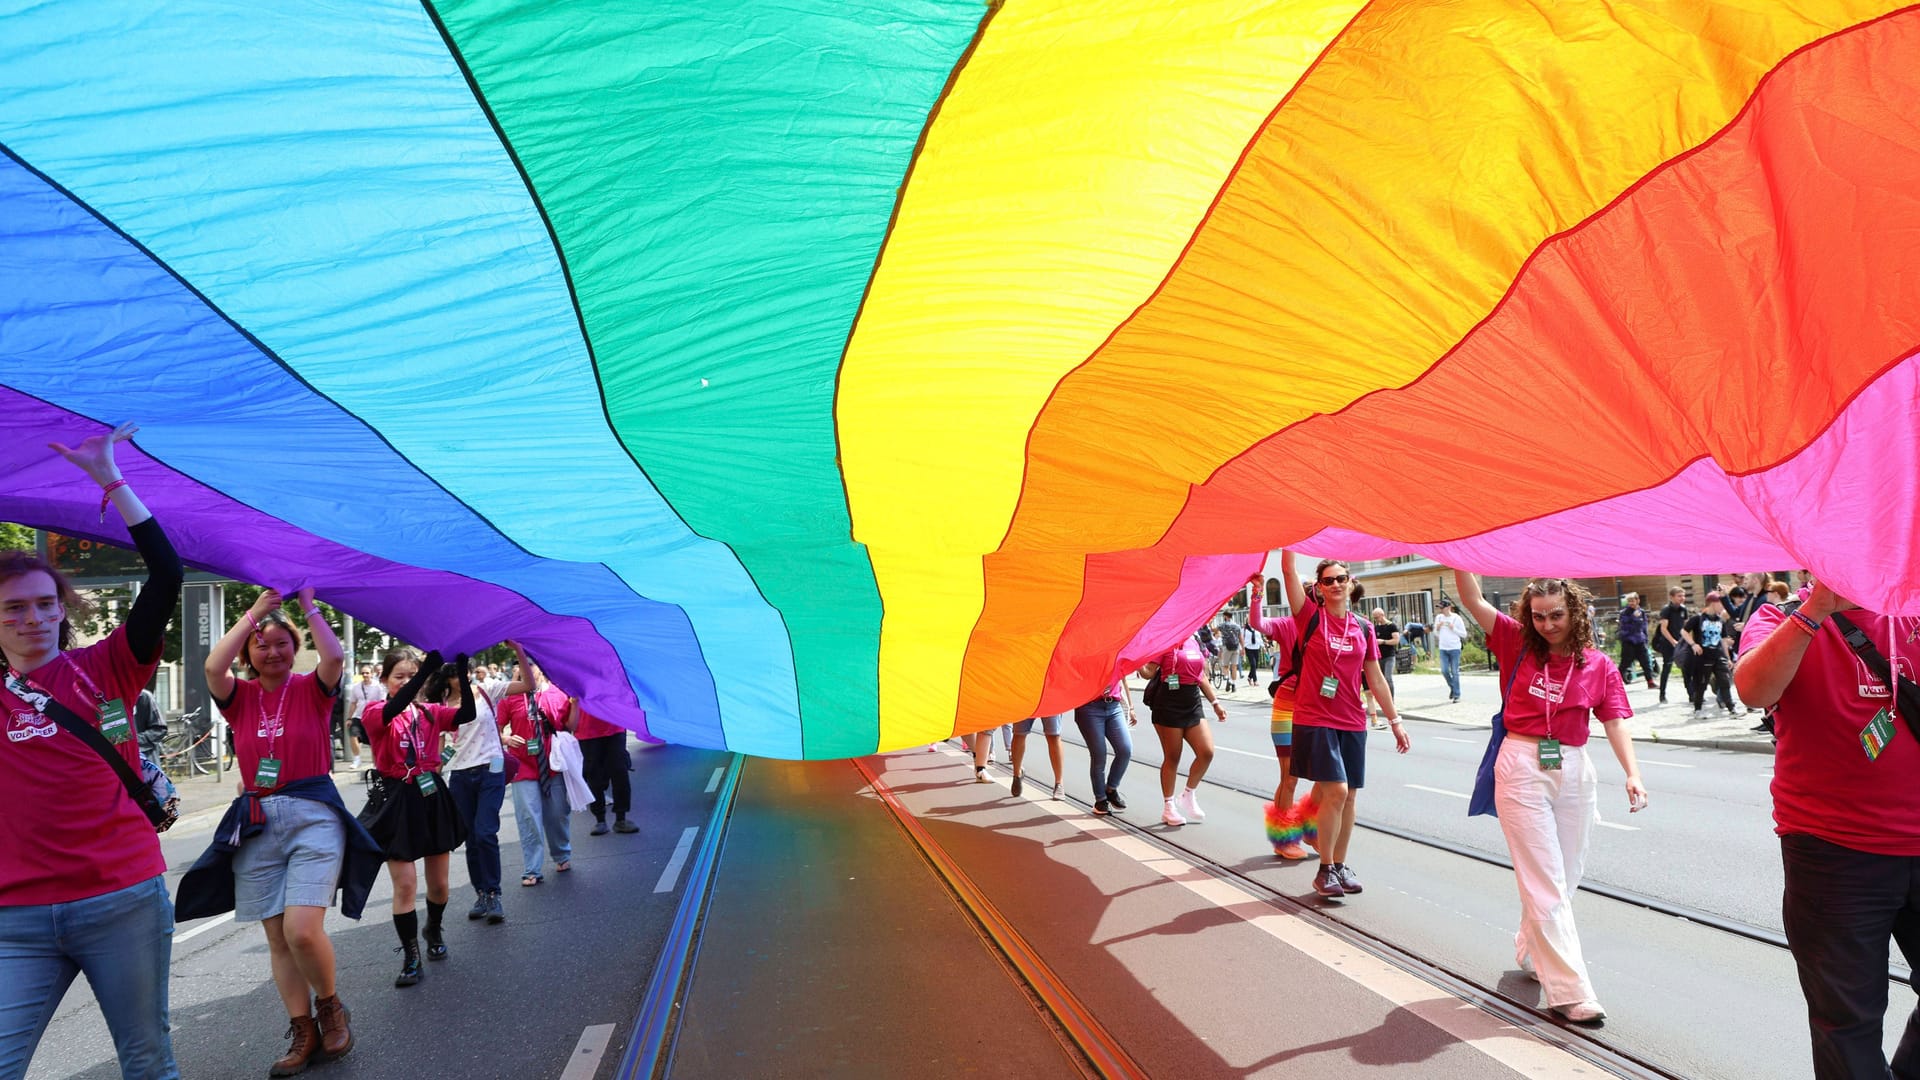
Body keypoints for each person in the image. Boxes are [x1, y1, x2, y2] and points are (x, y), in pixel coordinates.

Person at [0, 424, 182, 1080]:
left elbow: (167, 576)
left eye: (44, 604)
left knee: (146, 1063)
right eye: (14, 609)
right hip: (15, 918)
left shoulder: (106, 668)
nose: (32, 618)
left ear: (61, 609)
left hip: (121, 899)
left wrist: (112, 480)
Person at [1734, 580, 1920, 1077]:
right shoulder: (1782, 618)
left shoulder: (1912, 613)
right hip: (1834, 855)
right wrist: (1817, 609)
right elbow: (1754, 689)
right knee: (1847, 1020)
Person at [195, 585, 373, 1073]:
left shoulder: (312, 689)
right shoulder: (240, 697)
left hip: (313, 811)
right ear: (250, 651)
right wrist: (255, 613)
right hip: (257, 819)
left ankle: (331, 1007)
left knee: (301, 929)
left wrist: (309, 604)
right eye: (262, 644)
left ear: (295, 649)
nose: (272, 652)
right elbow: (213, 667)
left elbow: (335, 655)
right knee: (277, 936)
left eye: (282, 644)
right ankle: (302, 1030)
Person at [1456, 571, 1647, 1024]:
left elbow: (1615, 719)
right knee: (1543, 878)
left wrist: (1632, 773)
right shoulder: (1512, 639)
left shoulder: (1598, 664)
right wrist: (1457, 553)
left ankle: (1531, 945)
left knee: (1566, 873)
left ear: (1575, 612)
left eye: (1556, 614)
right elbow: (1472, 598)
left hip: (1575, 765)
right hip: (1522, 763)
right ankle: (1570, 990)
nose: (1547, 624)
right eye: (1538, 616)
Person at [1279, 551, 1408, 898]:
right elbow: (1288, 571)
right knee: (1335, 791)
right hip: (1314, 717)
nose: (1335, 584)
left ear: (1350, 583)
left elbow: (1376, 679)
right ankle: (1323, 870)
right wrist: (1291, 538)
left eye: (1340, 579)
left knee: (1349, 795)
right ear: (1319, 589)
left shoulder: (1364, 627)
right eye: (1327, 581)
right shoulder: (1308, 617)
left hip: (1352, 719)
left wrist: (1394, 720)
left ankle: (1338, 864)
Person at [360, 649, 475, 986]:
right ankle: (411, 956)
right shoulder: (376, 712)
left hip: (430, 795)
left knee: (439, 885)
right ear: (384, 680)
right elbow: (396, 706)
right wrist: (426, 669)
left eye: (412, 676)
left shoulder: (429, 712)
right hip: (397, 799)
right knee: (406, 885)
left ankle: (433, 928)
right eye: (400, 676)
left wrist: (463, 674)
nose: (408, 681)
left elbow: (466, 713)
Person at [433, 658, 509, 923]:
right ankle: (482, 894)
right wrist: (433, 774)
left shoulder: (488, 690)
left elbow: (529, 685)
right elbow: (443, 747)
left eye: (466, 671)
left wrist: (519, 651)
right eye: (457, 673)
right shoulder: (442, 707)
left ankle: (494, 893)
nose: (464, 676)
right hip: (461, 774)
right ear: (448, 678)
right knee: (471, 837)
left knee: (485, 831)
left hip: (492, 768)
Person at [497, 641, 577, 886]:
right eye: (522, 666)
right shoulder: (510, 697)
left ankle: (562, 854)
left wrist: (576, 705)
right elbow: (495, 728)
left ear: (540, 668)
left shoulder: (558, 693)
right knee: (529, 817)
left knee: (557, 814)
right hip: (523, 767)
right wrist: (507, 738)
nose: (526, 670)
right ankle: (532, 868)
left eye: (530, 665)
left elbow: (570, 728)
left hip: (553, 764)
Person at [1141, 629, 1229, 826]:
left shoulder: (1193, 640)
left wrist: (1215, 703)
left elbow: (1201, 676)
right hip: (1168, 702)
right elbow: (1148, 673)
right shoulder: (1165, 639)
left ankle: (1188, 794)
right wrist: (1137, 661)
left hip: (1192, 701)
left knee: (1206, 752)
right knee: (1173, 757)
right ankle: (1168, 807)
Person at [1249, 578, 1310, 858]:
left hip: (1316, 706)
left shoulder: (1329, 624)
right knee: (1289, 777)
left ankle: (1309, 832)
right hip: (1287, 703)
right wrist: (1257, 593)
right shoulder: (1287, 624)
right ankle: (1285, 839)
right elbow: (1258, 623)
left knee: (1327, 778)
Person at [1073, 676, 1135, 815]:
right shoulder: (1085, 656)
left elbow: (1123, 678)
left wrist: (1131, 707)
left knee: (1125, 749)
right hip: (1089, 708)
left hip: (1114, 706)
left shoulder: (1116, 654)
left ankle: (1111, 789)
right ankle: (1100, 800)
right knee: (1099, 754)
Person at [575, 705, 638, 836]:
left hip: (614, 724)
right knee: (594, 776)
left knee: (620, 772)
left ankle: (621, 819)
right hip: (587, 730)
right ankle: (600, 820)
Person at [1683, 593, 1736, 715]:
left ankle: (1732, 708)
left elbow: (1723, 640)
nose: (1723, 607)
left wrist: (1727, 658)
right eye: (1721, 604)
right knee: (1701, 684)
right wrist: (1693, 644)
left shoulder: (1720, 620)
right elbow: (1684, 631)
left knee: (1725, 682)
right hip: (1703, 657)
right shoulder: (1698, 618)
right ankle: (1698, 709)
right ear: (1713, 603)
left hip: (1718, 656)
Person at [342, 664, 383, 771]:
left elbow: (382, 703)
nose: (365, 675)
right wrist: (349, 718)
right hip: (358, 716)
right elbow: (353, 703)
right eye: (363, 673)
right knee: (353, 735)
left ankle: (376, 764)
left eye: (367, 673)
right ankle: (357, 759)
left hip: (372, 718)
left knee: (373, 742)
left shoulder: (378, 687)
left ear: (372, 674)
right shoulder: (356, 687)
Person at [1367, 608, 1401, 729]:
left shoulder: (1392, 626)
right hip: (1378, 656)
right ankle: (1383, 700)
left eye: (1377, 617)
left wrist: (1383, 642)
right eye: (1374, 618)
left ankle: (1391, 701)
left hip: (1389, 656)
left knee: (1388, 677)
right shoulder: (1376, 628)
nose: (1376, 620)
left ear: (1382, 615)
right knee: (1378, 679)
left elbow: (1396, 640)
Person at [1655, 587, 1689, 705]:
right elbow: (1663, 629)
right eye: (1679, 596)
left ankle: (1691, 694)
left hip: (1681, 642)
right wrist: (1673, 641)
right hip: (1668, 643)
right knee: (1667, 668)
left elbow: (1686, 627)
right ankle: (1662, 694)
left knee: (1686, 668)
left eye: (1683, 596)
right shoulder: (1666, 610)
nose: (1682, 598)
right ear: (1672, 597)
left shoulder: (1684, 609)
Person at [1615, 593, 1657, 689]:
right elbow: (1625, 626)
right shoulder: (1624, 613)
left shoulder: (1641, 612)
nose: (1631, 603)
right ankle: (1615, 683)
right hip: (1628, 641)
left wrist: (1646, 640)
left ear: (1637, 601)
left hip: (1640, 641)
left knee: (1646, 662)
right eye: (1629, 601)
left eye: (1632, 601)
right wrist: (1633, 617)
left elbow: (1644, 627)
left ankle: (1650, 682)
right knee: (1625, 663)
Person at [1433, 600, 1470, 702]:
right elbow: (1435, 633)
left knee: (1455, 671)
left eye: (1442, 608)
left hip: (1454, 648)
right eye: (1439, 608)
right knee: (1444, 670)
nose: (1441, 610)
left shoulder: (1456, 618)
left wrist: (1453, 628)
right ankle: (1453, 688)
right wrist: (1438, 628)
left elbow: (1464, 634)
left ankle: (1457, 695)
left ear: (1448, 607)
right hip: (1443, 648)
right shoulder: (1439, 618)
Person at [1217, 615, 1243, 692]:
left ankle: (1228, 679)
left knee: (1225, 666)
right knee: (1234, 666)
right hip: (1236, 647)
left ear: (1225, 617)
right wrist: (1243, 648)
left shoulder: (1222, 625)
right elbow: (1240, 637)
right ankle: (1234, 684)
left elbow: (1213, 630)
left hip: (1226, 647)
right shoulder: (1237, 626)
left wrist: (1211, 623)